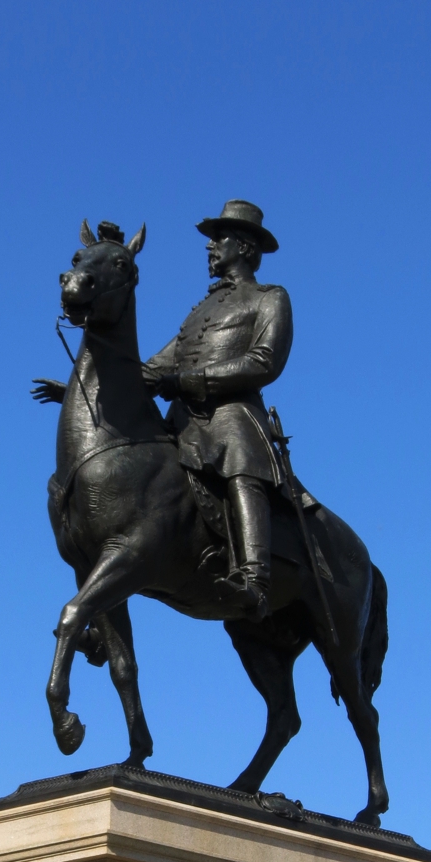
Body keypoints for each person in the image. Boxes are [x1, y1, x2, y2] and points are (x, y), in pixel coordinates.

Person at [143, 200, 293, 619]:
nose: (209, 247)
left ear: (245, 247)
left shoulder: (270, 298)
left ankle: (255, 580)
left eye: (218, 239)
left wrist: (190, 381)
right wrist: (88, 384)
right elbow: (156, 366)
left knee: (240, 462)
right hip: (183, 421)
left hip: (232, 416)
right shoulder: (201, 311)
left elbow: (264, 361)